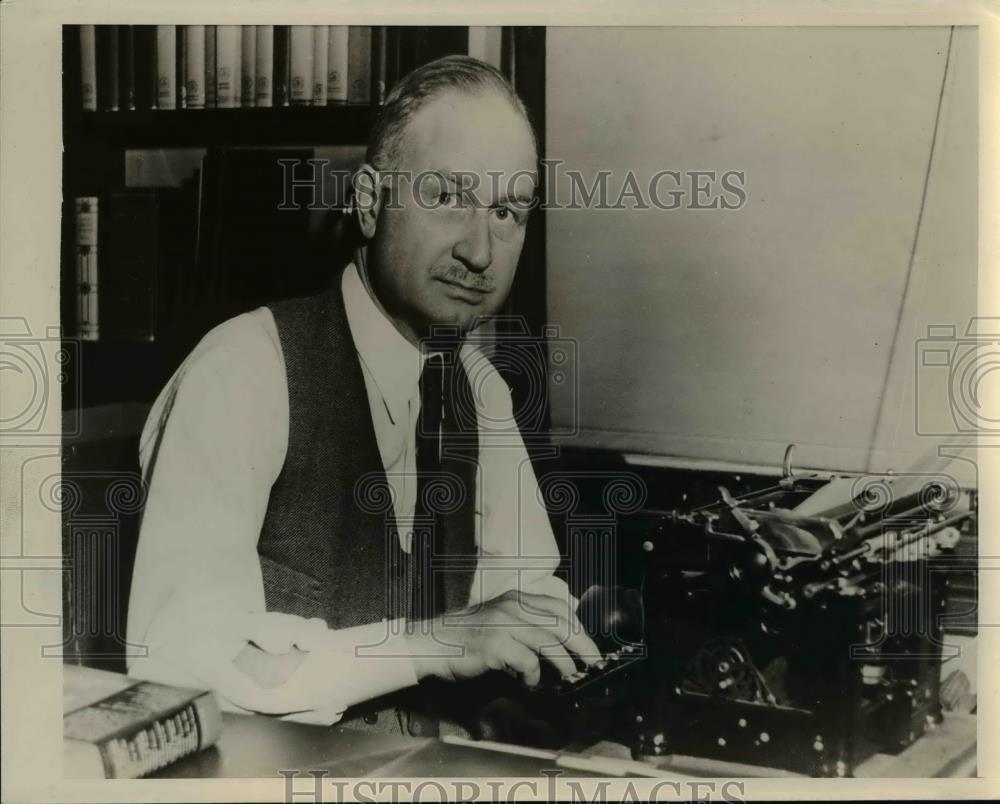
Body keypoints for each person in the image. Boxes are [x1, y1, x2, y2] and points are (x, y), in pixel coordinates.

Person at [126, 55, 600, 736]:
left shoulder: (479, 390)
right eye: (448, 198)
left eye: (506, 212)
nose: (482, 251)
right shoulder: (244, 369)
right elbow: (176, 664)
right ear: (371, 202)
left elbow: (522, 601)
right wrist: (438, 643)